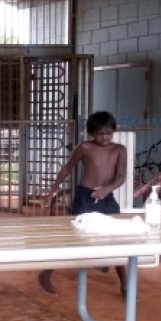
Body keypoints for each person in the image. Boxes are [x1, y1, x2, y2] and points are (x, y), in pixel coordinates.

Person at [39, 111, 127, 296]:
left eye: (108, 133)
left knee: (117, 239)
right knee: (75, 240)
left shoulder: (119, 149)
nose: (104, 137)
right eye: (99, 133)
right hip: (85, 196)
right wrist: (51, 192)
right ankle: (47, 272)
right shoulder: (85, 147)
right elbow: (67, 169)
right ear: (91, 133)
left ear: (114, 132)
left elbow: (121, 177)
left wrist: (106, 190)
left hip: (106, 196)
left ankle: (125, 283)